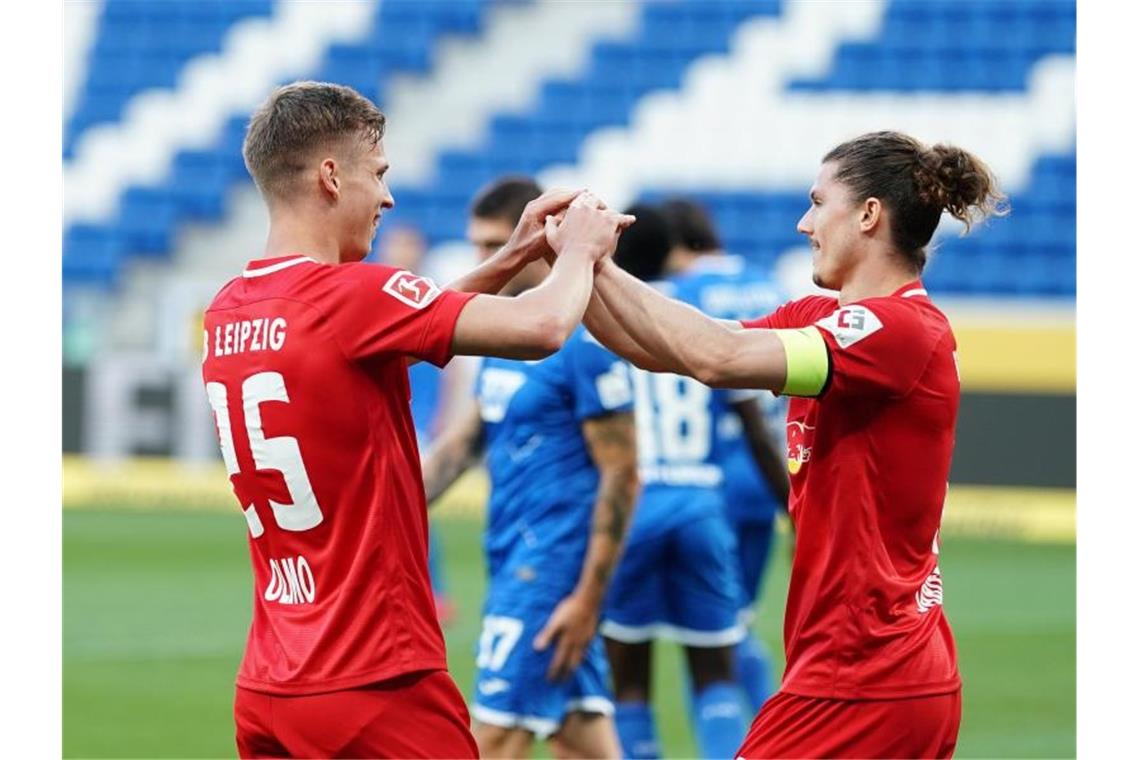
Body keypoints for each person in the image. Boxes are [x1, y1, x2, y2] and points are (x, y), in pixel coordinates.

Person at [200, 81, 633, 758]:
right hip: (375, 677)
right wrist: (578, 247)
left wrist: (511, 258)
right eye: (379, 174)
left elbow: (382, 330)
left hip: (271, 682)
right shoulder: (351, 295)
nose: (389, 197)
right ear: (330, 176)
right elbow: (545, 325)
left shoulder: (232, 308)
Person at [578, 130, 1006, 758]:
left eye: (816, 201)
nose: (805, 223)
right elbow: (669, 349)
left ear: (867, 214)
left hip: (865, 674)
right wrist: (572, 267)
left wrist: (593, 262)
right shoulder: (824, 317)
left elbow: (718, 358)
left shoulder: (898, 329)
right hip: (867, 669)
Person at [420, 176, 640, 759]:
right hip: (514, 558)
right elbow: (466, 442)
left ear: (543, 240)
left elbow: (623, 472)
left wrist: (588, 597)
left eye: (494, 243)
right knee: (582, 740)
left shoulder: (585, 338)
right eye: (478, 246)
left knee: (489, 739)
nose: (486, 260)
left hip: (548, 574)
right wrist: (381, 508)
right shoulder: (505, 333)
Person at [601, 204, 752, 760]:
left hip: (635, 507)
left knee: (630, 678)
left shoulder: (606, 320)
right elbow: (751, 422)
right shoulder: (700, 318)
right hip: (701, 504)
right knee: (714, 672)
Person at [657, 198, 789, 714]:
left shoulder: (683, 295)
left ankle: (764, 728)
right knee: (739, 620)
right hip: (770, 475)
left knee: (711, 634)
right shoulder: (770, 285)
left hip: (710, 477)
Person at [379, 223, 462, 626]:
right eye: (398, 244)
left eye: (409, 244)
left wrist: (442, 416)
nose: (403, 252)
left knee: (414, 506)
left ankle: (432, 590)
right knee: (394, 507)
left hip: (416, 419)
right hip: (383, 413)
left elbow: (447, 366)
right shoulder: (375, 292)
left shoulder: (426, 297)